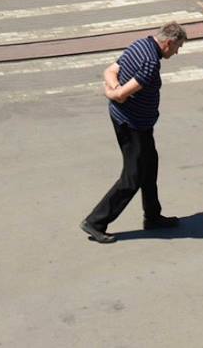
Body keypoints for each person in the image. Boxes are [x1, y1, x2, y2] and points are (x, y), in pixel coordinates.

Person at [81, 21, 188, 242]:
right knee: (133, 176)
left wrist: (113, 87)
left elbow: (110, 71)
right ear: (168, 43)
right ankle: (96, 221)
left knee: (150, 165)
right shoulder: (150, 63)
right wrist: (113, 93)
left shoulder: (140, 44)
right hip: (132, 125)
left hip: (133, 121)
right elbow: (120, 95)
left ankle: (153, 216)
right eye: (178, 47)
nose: (176, 52)